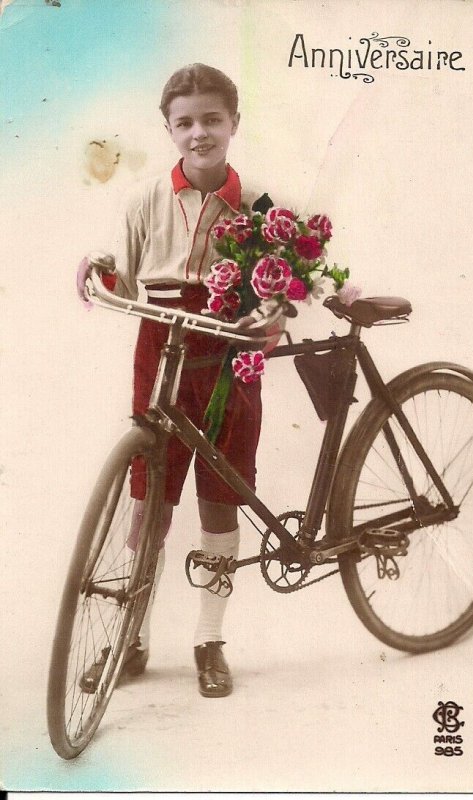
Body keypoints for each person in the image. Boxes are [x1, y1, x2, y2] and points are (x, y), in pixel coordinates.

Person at [76, 63, 276, 698]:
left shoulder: (258, 201)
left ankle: (209, 640)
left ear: (233, 124)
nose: (199, 133)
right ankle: (130, 638)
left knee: (220, 492)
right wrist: (101, 270)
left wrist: (267, 313)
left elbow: (281, 277)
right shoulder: (144, 200)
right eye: (185, 122)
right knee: (149, 498)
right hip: (159, 344)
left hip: (225, 350)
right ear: (168, 128)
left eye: (212, 120)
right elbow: (124, 276)